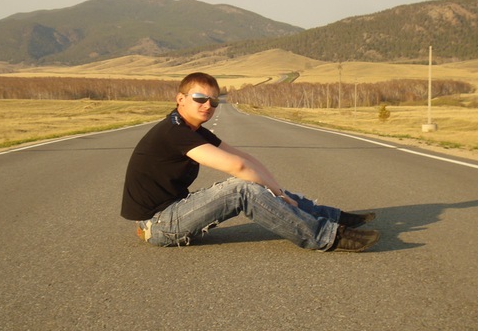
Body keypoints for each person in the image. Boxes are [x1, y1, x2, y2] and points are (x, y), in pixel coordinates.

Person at [121, 72, 380, 252]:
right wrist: (278, 193)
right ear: (181, 99)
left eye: (213, 101)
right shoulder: (173, 132)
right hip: (159, 225)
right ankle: (325, 236)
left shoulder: (192, 130)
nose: (208, 105)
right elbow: (239, 167)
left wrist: (275, 189)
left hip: (174, 210)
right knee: (242, 189)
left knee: (255, 183)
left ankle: (333, 217)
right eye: (200, 98)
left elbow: (245, 158)